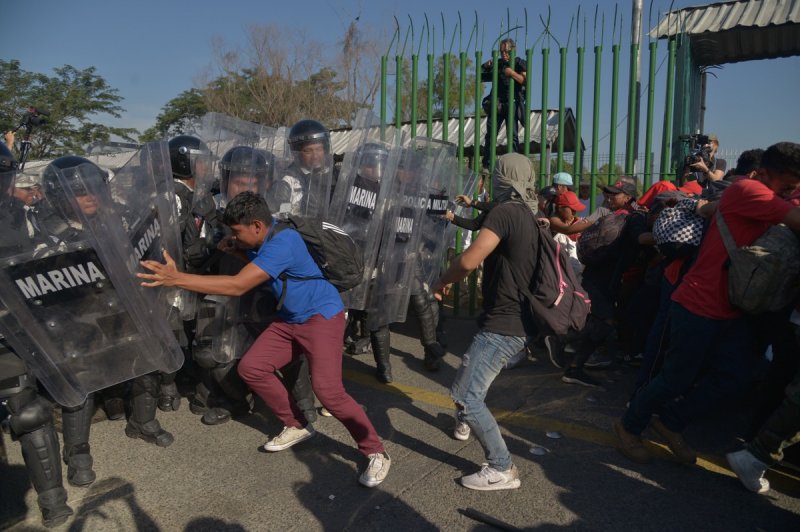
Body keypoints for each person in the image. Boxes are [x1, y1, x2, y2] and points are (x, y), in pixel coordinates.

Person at [138, 191, 391, 487]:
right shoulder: (267, 237)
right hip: (291, 320)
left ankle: (376, 451)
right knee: (253, 368)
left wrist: (175, 279)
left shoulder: (284, 241)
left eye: (237, 232)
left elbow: (237, 285)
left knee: (329, 392)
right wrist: (238, 251)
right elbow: (266, 267)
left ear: (257, 225)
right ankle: (297, 424)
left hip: (321, 317)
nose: (233, 237)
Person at [614, 142, 800, 466]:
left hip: (733, 309)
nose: (789, 193)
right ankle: (628, 426)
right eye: (787, 187)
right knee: (675, 378)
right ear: (763, 174)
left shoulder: (755, 194)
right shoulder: (750, 190)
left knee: (734, 377)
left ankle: (671, 422)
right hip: (698, 304)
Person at [431, 153, 538, 491]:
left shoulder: (506, 213)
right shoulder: (527, 213)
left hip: (504, 324)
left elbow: (469, 260)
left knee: (466, 395)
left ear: (504, 179)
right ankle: (468, 424)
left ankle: (501, 467)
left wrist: (442, 281)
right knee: (471, 387)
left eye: (496, 177)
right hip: (513, 320)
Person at [481, 39, 527, 169]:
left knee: (512, 135)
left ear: (513, 50)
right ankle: (487, 164)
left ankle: (512, 165)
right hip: (497, 104)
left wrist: (512, 73)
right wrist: (485, 66)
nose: (504, 54)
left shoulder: (519, 62)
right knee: (490, 134)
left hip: (513, 103)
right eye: (502, 52)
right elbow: (481, 76)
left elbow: (525, 80)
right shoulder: (498, 63)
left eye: (507, 51)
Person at [274, 119, 333, 218]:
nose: (315, 156)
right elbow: (281, 216)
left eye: (318, 149)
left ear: (325, 149)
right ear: (296, 153)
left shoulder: (335, 176)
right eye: (308, 151)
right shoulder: (289, 181)